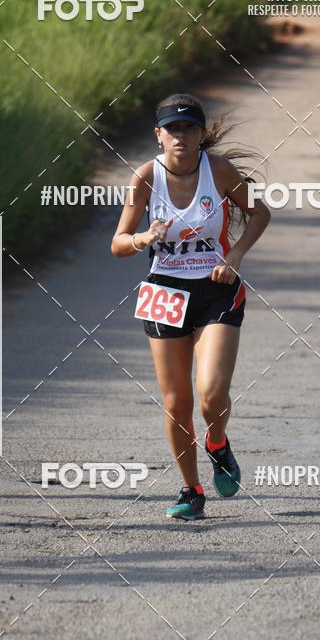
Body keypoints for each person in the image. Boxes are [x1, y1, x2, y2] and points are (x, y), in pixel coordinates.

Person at [111, 94, 270, 520]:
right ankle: (191, 490)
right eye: (173, 129)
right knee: (176, 402)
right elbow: (118, 243)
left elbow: (259, 213)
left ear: (200, 135)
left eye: (189, 128)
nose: (181, 136)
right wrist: (144, 239)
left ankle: (217, 441)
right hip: (164, 291)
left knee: (211, 394)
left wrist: (233, 258)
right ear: (158, 135)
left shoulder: (217, 170)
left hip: (216, 289)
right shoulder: (145, 178)